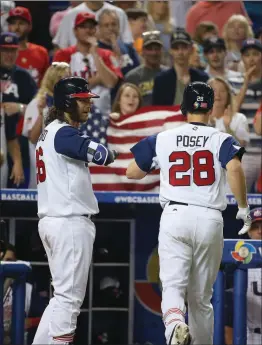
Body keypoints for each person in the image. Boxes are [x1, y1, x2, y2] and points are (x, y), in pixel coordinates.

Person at [126, 81, 252, 345]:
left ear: (184, 107)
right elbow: (236, 168)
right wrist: (242, 207)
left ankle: (174, 326)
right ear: (209, 110)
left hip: (175, 215)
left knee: (172, 286)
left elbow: (132, 171)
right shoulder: (221, 138)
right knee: (201, 299)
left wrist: (161, 161)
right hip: (209, 218)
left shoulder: (164, 137)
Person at [32, 76, 118, 345]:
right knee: (69, 299)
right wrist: (112, 150)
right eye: (82, 100)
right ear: (68, 102)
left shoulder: (49, 132)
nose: (88, 105)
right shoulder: (63, 132)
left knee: (60, 298)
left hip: (55, 221)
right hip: (68, 222)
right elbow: (102, 154)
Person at [53, 12, 123, 117]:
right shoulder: (63, 55)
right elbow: (61, 88)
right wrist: (98, 79)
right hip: (71, 115)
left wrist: (95, 55)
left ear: (96, 30)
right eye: (83, 27)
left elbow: (110, 83)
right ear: (75, 31)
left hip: (102, 116)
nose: (88, 30)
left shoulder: (107, 54)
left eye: (91, 27)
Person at [22, 62, 70, 189]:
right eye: (62, 78)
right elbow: (32, 138)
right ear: (52, 80)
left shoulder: (71, 104)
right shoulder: (37, 103)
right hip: (43, 168)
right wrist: (41, 113)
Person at [225, 207, 262, 345]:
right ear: (248, 232)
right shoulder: (237, 265)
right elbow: (229, 315)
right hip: (251, 335)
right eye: (254, 227)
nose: (260, 231)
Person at [152, 29, 209, 106]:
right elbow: (157, 111)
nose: (180, 52)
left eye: (184, 47)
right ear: (170, 51)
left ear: (191, 49)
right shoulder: (161, 80)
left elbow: (206, 105)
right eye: (176, 48)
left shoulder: (202, 78)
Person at [52, 1, 133, 49]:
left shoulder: (119, 13)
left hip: (113, 65)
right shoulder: (70, 15)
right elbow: (60, 46)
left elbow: (128, 44)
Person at [7, 6, 49, 86]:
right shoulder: (2, 53)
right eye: (13, 23)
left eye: (21, 23)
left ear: (30, 26)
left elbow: (46, 85)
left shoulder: (41, 52)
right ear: (9, 27)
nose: (17, 27)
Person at [125, 30, 166, 106]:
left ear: (161, 51)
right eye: (149, 49)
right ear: (143, 51)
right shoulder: (132, 77)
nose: (154, 53)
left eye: (157, 48)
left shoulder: (170, 75)